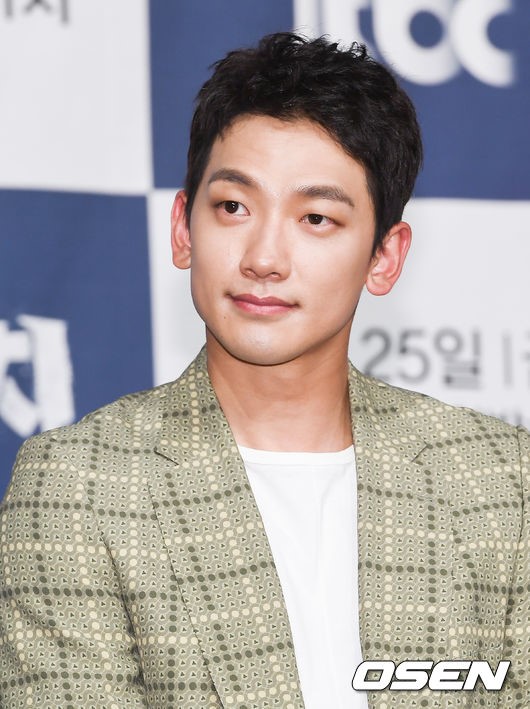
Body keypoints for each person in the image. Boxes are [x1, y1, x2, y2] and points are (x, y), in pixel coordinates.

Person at [0, 32, 528, 709]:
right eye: (233, 207)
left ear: (384, 257)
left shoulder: (502, 482)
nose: (265, 258)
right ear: (183, 228)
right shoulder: (80, 486)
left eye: (316, 217)